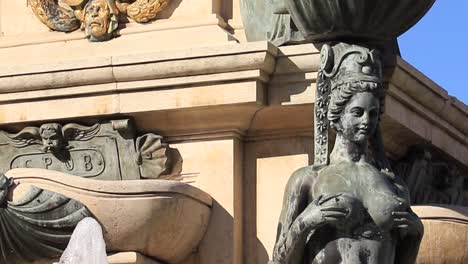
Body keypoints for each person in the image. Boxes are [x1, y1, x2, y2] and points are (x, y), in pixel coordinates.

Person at [271, 43, 423, 264]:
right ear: (337, 114)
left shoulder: (395, 185)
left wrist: (416, 236)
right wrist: (306, 221)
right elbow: (279, 261)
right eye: (357, 112)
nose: (366, 121)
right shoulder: (308, 179)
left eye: (373, 114)